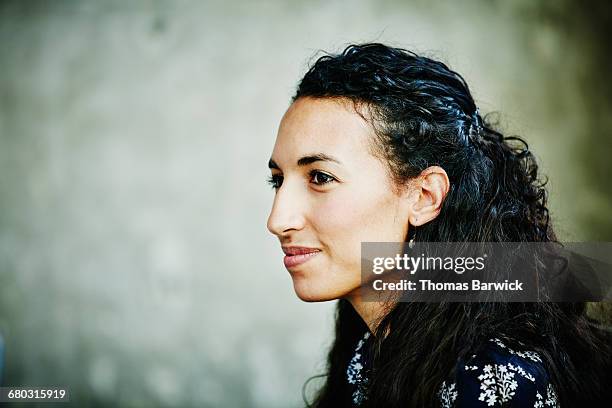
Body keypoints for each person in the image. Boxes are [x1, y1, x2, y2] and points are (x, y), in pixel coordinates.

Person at [266, 43, 611, 407]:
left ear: (424, 196)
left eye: (320, 177)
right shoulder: (371, 348)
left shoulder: (486, 381)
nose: (277, 220)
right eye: (278, 180)